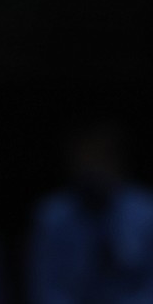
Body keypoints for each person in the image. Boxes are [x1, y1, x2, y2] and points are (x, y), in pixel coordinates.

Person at [26, 116, 153, 304]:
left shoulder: (146, 212)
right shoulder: (52, 215)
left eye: (101, 156)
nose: (93, 167)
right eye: (86, 157)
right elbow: (46, 288)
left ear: (117, 159)